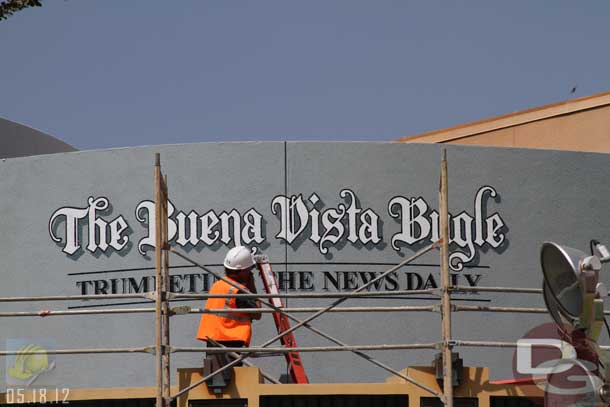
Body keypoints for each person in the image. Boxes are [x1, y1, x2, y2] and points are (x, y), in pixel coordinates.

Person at [196, 246, 262, 369]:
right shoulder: (238, 291)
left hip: (213, 340)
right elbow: (258, 313)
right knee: (229, 379)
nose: (250, 273)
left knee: (216, 376)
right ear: (242, 271)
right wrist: (252, 288)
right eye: (249, 270)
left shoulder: (218, 285)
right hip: (230, 340)